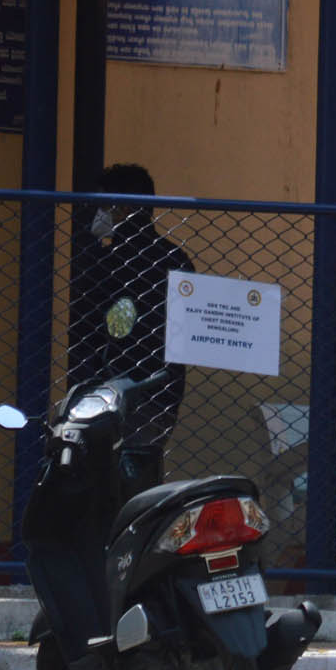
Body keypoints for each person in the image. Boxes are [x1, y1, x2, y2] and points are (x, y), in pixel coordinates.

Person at [67, 163, 194, 466]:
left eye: (103, 205)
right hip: (160, 390)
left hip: (106, 392)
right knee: (139, 471)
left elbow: (85, 333)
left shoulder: (104, 262)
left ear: (120, 207)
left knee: (98, 474)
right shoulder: (176, 260)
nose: (98, 213)